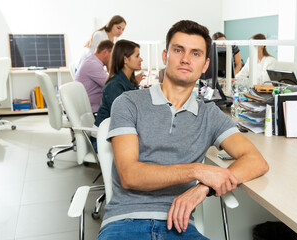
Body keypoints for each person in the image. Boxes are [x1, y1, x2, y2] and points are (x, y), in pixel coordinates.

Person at [97, 20, 269, 240]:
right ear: (165, 56)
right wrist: (197, 171)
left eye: (196, 53)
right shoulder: (129, 102)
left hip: (179, 226)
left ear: (205, 65)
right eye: (178, 50)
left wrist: (204, 187)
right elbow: (130, 175)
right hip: (125, 222)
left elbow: (257, 162)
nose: (186, 59)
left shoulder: (209, 115)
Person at [94, 39, 144, 128]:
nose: (141, 59)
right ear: (125, 59)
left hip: (120, 130)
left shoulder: (130, 82)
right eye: (137, 56)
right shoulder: (114, 86)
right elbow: (122, 116)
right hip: (104, 136)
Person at [74, 40, 114, 113]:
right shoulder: (93, 65)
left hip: (88, 108)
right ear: (105, 52)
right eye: (113, 55)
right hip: (91, 111)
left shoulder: (91, 59)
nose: (113, 59)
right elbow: (111, 86)